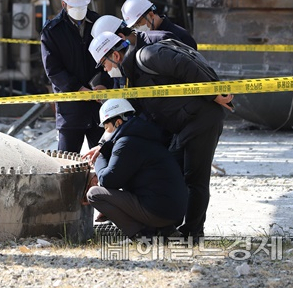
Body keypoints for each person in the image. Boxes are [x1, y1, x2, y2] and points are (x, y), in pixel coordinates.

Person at [88, 31, 234, 242]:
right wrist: (104, 144)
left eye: (104, 64)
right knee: (175, 171)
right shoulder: (132, 78)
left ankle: (193, 233)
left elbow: (185, 64)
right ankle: (167, 227)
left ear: (115, 56)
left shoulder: (147, 56)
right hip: (183, 124)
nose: (105, 70)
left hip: (202, 119)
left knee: (195, 178)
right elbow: (126, 121)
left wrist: (214, 93)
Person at [85, 99, 187, 239]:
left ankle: (141, 236)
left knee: (94, 194)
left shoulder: (126, 143)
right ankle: (163, 230)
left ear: (118, 122)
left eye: (106, 127)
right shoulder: (141, 136)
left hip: (159, 212)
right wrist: (106, 148)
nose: (104, 134)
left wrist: (100, 156)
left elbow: (107, 180)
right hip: (172, 212)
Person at [40, 0, 113, 153]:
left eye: (83, 6)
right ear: (64, 3)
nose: (79, 10)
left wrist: (103, 83)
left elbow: (113, 57)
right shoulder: (52, 31)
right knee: (66, 161)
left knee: (104, 158)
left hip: (100, 107)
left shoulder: (100, 24)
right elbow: (54, 71)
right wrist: (80, 90)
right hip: (71, 110)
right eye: (74, 6)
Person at [121, 0, 198, 50]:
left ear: (151, 14)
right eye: (134, 26)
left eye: (138, 23)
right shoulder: (141, 42)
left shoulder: (182, 36)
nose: (137, 28)